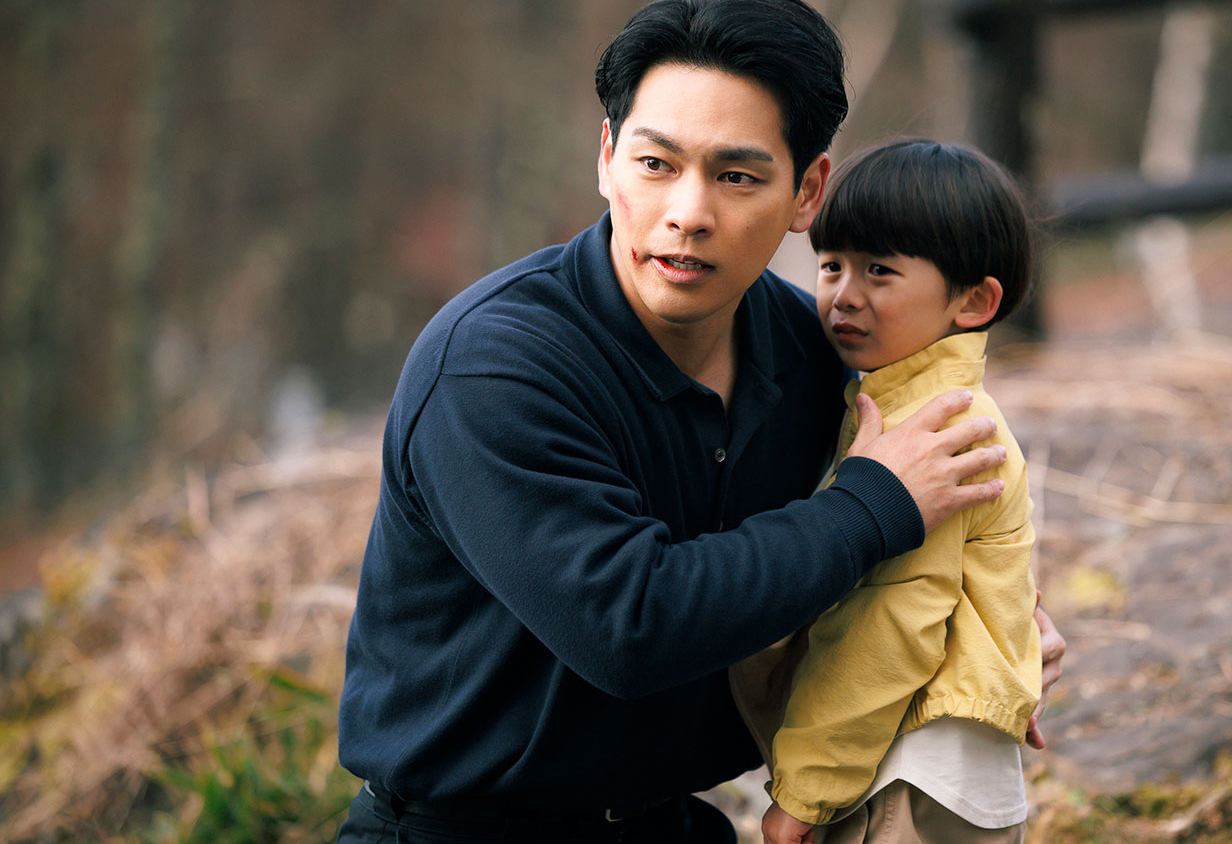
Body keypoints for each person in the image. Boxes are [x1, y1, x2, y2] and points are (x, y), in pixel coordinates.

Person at [334, 2, 1064, 842]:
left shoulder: (814, 356)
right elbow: (628, 627)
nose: (688, 212)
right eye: (655, 163)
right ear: (606, 159)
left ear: (807, 193)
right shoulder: (495, 366)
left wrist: (987, 633)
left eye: (737, 177)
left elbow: (865, 575)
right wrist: (872, 506)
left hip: (671, 822)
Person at [749, 140, 1046, 844]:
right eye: (832, 265)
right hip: (915, 755)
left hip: (912, 766)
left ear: (973, 301)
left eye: (879, 270)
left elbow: (890, 623)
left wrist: (806, 791)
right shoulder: (899, 401)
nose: (844, 295)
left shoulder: (937, 434)